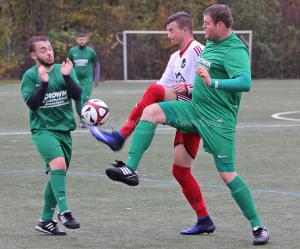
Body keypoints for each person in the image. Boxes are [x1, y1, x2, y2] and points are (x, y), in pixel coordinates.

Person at [101, 4, 270, 245]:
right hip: (193, 110)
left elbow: (245, 82)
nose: (203, 27)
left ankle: (258, 226)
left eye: (207, 23)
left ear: (220, 25)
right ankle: (131, 168)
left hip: (217, 120)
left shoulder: (236, 50)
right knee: (151, 112)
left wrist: (213, 83)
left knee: (227, 173)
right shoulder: (211, 43)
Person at [91, 12, 215, 235]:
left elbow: (211, 86)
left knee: (154, 92)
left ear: (185, 30)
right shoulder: (174, 58)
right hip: (182, 113)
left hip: (197, 112)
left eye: (171, 30)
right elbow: (160, 89)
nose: (168, 35)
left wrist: (188, 88)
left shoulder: (199, 50)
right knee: (180, 170)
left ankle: (120, 140)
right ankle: (204, 219)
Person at [21, 36, 82, 235]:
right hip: (43, 130)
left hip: (65, 130)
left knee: (56, 175)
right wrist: (43, 84)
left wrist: (67, 77)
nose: (49, 52)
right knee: (58, 165)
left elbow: (78, 94)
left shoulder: (64, 69)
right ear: (33, 55)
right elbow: (32, 104)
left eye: (50, 48)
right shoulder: (31, 76)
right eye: (43, 50)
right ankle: (64, 212)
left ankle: (45, 221)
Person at [67, 32, 100, 128]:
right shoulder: (72, 51)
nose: (82, 41)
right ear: (77, 40)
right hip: (75, 80)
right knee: (78, 100)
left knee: (84, 99)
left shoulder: (91, 52)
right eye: (80, 39)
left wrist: (96, 79)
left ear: (86, 40)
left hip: (87, 80)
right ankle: (82, 119)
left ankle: (83, 120)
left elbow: (97, 64)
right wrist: (67, 78)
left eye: (83, 39)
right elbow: (68, 64)